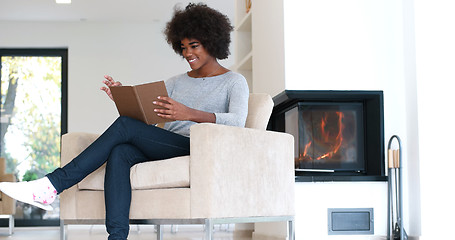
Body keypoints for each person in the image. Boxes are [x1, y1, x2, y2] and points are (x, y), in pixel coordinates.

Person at [0, 3, 249, 240]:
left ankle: (54, 184)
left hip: (198, 147)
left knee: (124, 127)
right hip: (167, 145)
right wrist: (123, 98)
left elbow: (238, 122)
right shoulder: (175, 81)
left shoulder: (234, 82)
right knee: (120, 152)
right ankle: (117, 236)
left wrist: (189, 113)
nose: (188, 54)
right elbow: (146, 120)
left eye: (193, 46)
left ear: (213, 41)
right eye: (183, 47)